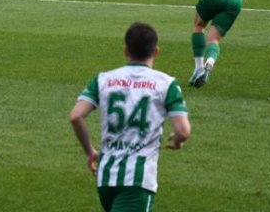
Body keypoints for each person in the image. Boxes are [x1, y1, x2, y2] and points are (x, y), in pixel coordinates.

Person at [70, 22, 190, 212]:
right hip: (137, 180)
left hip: (106, 178)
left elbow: (76, 116)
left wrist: (90, 151)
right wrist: (177, 140)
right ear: (156, 51)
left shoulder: (103, 79)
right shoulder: (166, 84)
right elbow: (183, 130)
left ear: (126, 51)